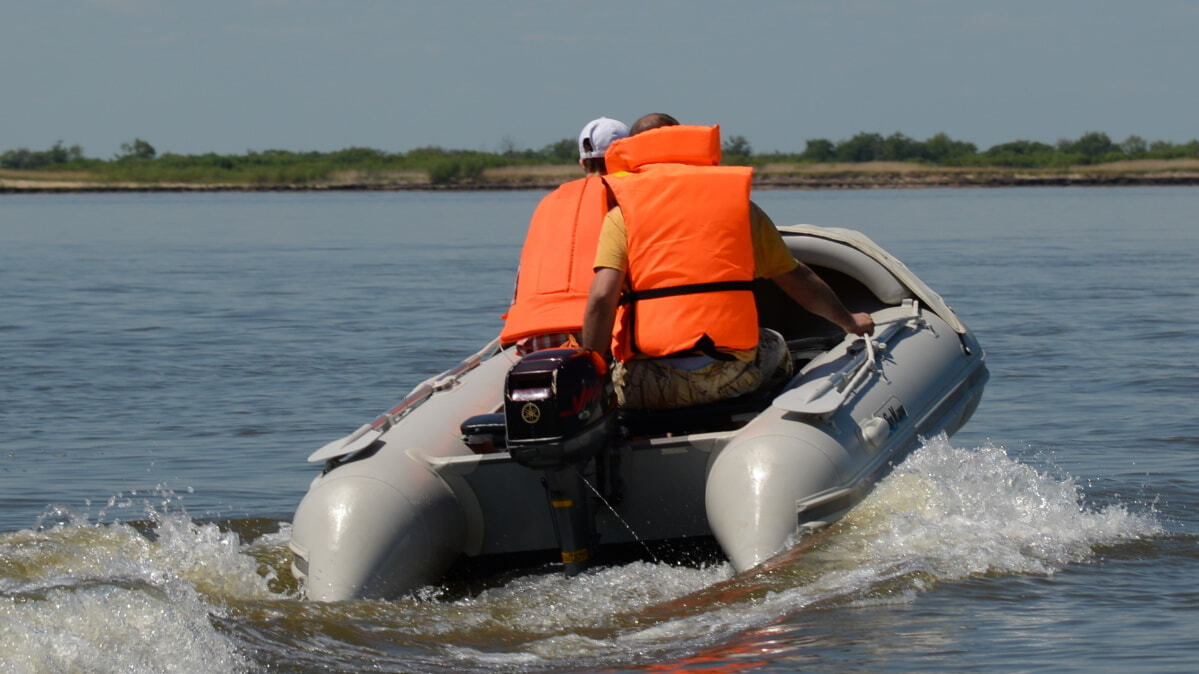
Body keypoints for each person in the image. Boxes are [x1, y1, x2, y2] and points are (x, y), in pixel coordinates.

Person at [581, 113, 874, 410]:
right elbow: (796, 278)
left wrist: (591, 368)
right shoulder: (739, 208)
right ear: (687, 142)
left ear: (633, 151)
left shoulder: (621, 215)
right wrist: (849, 321)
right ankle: (763, 428)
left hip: (650, 385)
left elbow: (603, 296)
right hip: (726, 375)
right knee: (774, 343)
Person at [500, 117, 630, 355]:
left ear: (582, 163)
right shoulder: (628, 198)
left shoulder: (548, 203)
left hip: (537, 337)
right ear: (626, 158)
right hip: (603, 335)